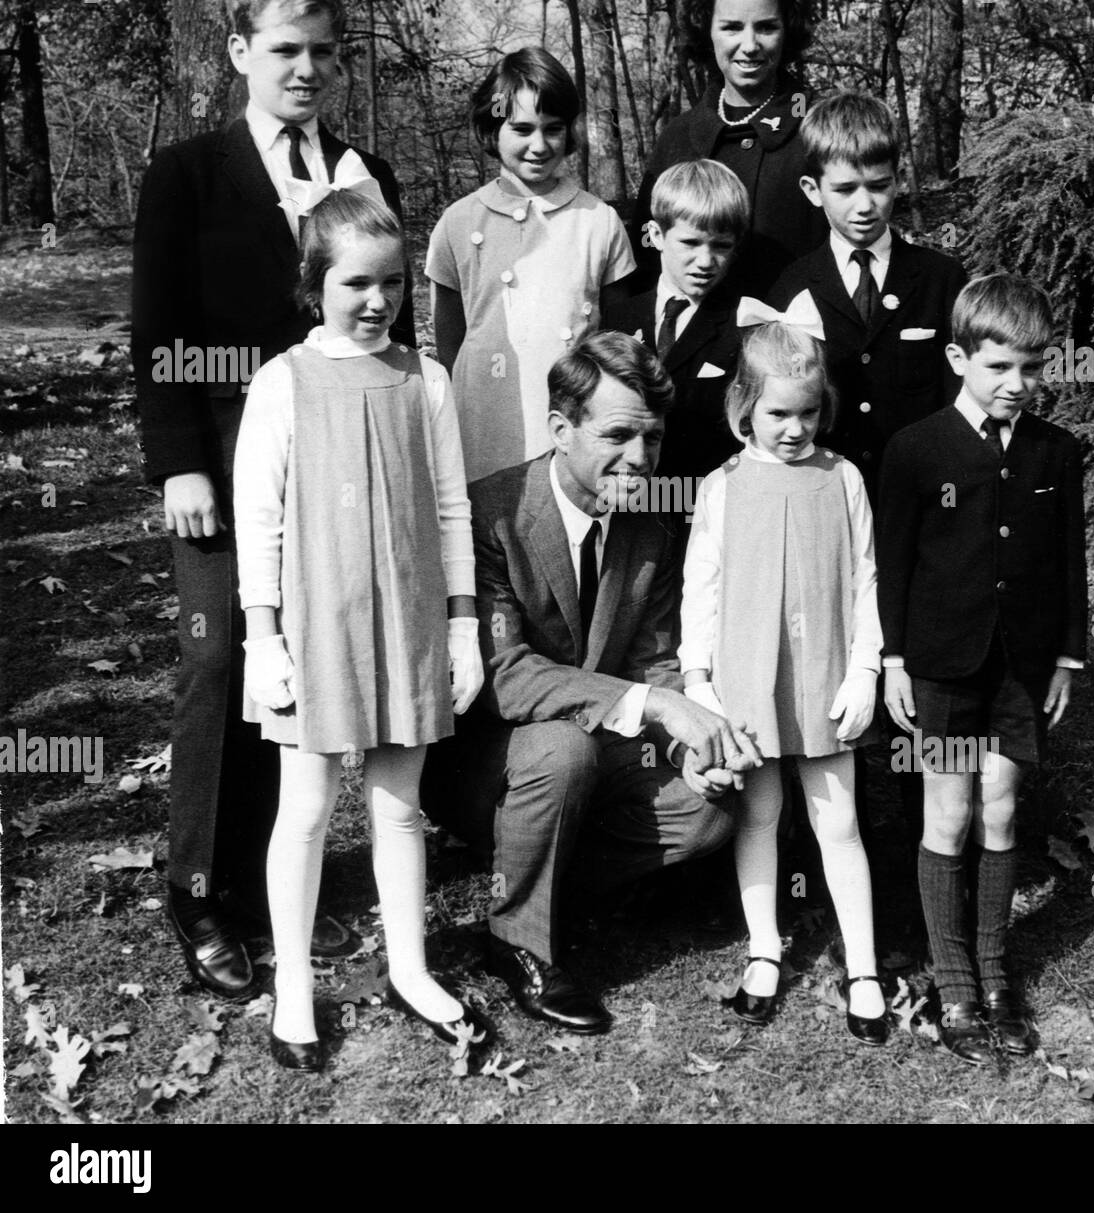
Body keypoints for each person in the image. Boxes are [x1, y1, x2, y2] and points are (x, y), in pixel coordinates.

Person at [129, 0, 416, 1000]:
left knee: (295, 667)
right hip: (226, 456)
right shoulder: (190, 173)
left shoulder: (362, 168)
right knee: (223, 659)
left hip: (340, 467)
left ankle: (267, 885)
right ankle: (198, 889)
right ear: (241, 53)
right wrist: (178, 464)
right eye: (283, 49)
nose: (304, 69)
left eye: (321, 51)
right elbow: (157, 329)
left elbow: (395, 334)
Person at [422, 331, 761, 1035]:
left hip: (593, 741)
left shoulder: (652, 527)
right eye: (617, 435)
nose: (638, 459)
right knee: (558, 752)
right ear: (560, 429)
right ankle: (518, 940)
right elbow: (505, 676)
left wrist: (684, 751)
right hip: (482, 757)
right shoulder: (492, 516)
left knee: (711, 811)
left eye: (652, 438)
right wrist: (659, 706)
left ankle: (539, 882)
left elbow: (654, 660)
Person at [234, 188, 486, 1071]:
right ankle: (294, 983)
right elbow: (258, 519)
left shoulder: (428, 379)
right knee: (304, 810)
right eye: (354, 284)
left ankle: (410, 967)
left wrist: (462, 627)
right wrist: (262, 637)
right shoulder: (283, 382)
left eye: (390, 283)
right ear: (315, 286)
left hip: (411, 620)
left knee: (397, 806)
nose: (376, 301)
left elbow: (452, 511)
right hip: (316, 625)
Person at [877, 274, 1087, 1065]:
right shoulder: (917, 447)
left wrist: (1067, 655)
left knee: (1000, 810)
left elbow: (1071, 560)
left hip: (1018, 672)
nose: (1017, 385)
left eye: (1032, 369)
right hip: (941, 667)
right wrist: (895, 658)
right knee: (949, 814)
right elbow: (891, 564)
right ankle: (955, 978)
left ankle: (997, 973)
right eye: (1000, 367)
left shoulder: (1054, 451)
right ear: (961, 356)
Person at [679, 321, 889, 1043]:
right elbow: (700, 586)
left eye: (806, 412)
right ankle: (764, 947)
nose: (794, 428)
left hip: (825, 674)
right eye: (778, 413)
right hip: (748, 678)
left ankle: (863, 967)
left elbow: (866, 578)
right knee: (759, 814)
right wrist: (698, 674)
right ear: (745, 404)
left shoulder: (845, 478)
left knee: (838, 822)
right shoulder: (722, 487)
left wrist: (865, 667)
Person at [427, 46, 637, 483]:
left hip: (570, 416)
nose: (539, 145)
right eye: (521, 129)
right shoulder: (459, 221)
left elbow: (617, 342)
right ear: (491, 129)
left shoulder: (598, 221)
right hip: (483, 420)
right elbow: (450, 342)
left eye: (553, 129)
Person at [767, 90, 967, 502]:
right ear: (812, 189)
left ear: (898, 178)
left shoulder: (941, 279)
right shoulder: (792, 285)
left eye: (879, 186)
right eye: (844, 189)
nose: (864, 206)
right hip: (823, 496)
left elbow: (959, 403)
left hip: (920, 497)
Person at [632, 0, 825, 301]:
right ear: (707, 29)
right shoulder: (678, 136)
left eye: (766, 27)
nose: (749, 45)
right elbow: (646, 260)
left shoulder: (819, 125)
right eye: (732, 27)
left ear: (789, 29)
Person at [605, 159, 750, 551]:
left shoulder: (746, 327)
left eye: (721, 246)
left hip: (710, 521)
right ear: (655, 234)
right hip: (628, 521)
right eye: (690, 243)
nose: (705, 262)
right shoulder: (618, 320)